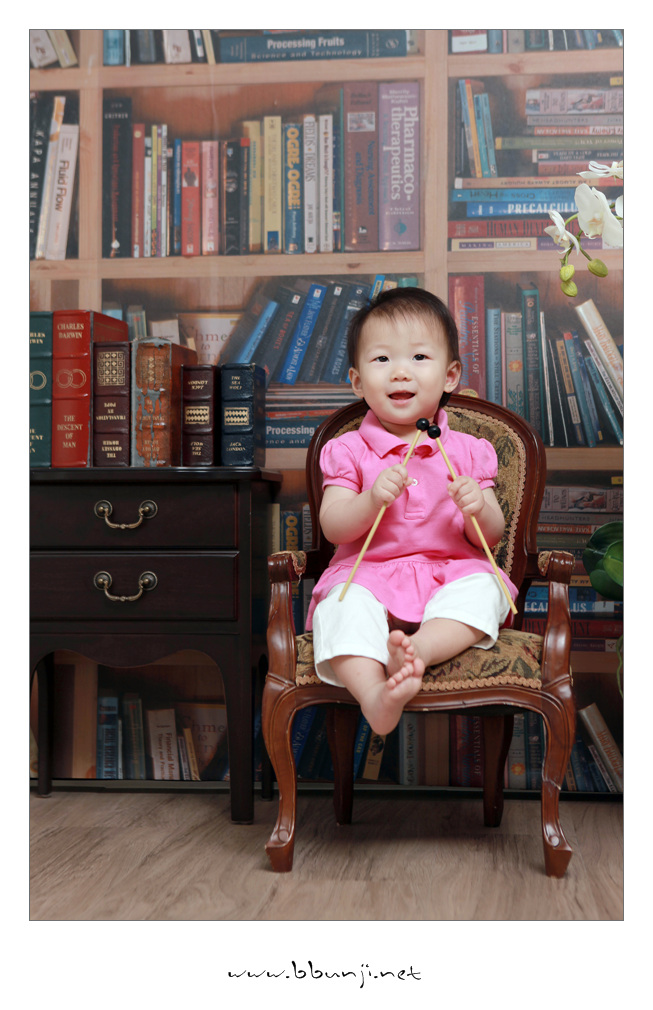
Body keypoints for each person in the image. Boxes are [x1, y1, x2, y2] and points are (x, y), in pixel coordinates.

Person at [305, 286, 517, 736]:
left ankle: (418, 649)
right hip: (368, 577)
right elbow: (333, 527)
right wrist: (370, 500)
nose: (400, 371)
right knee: (339, 608)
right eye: (382, 359)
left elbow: (490, 537)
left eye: (419, 357)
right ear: (358, 382)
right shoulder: (348, 449)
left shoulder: (468, 451)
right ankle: (374, 695)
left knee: (488, 588)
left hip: (449, 573)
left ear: (450, 375)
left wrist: (477, 509)